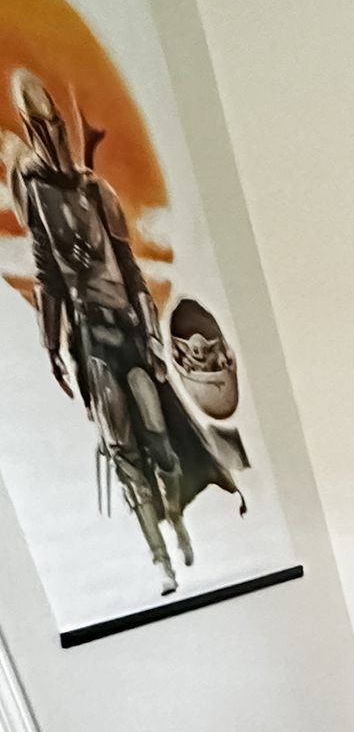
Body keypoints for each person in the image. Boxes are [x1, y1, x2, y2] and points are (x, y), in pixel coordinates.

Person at [4, 69, 242, 595]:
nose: (49, 135)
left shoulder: (97, 191)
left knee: (159, 438)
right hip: (90, 339)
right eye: (38, 125)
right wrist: (51, 346)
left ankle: (177, 520)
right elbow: (48, 273)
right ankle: (159, 558)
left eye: (53, 123)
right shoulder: (37, 194)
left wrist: (153, 336)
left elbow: (130, 270)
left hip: (130, 332)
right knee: (122, 448)